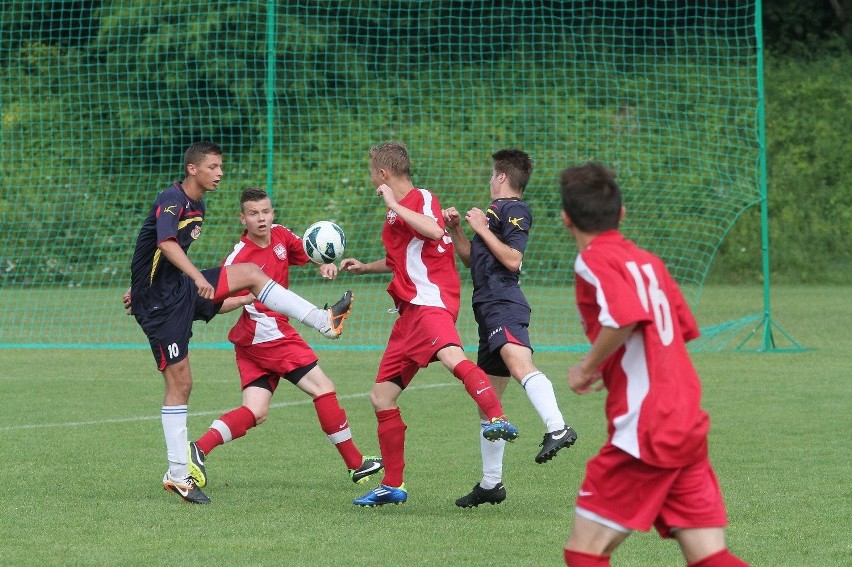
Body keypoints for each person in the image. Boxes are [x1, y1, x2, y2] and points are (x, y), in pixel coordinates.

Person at [127, 141, 353, 504]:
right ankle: (178, 473)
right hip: (161, 303)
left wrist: (149, 284)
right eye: (213, 167)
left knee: (250, 274)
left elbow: (151, 256)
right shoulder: (172, 199)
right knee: (180, 384)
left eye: (221, 166)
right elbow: (165, 244)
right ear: (192, 169)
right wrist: (155, 287)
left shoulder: (198, 204)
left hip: (175, 290)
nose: (220, 173)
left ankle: (322, 320)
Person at [558, 162, 749, 566]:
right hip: (684, 416)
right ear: (622, 214)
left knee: (584, 553)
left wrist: (587, 367)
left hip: (647, 426)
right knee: (709, 556)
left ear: (565, 219)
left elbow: (625, 316)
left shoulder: (592, 260)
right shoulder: (649, 262)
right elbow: (679, 329)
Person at [340, 141, 520, 507]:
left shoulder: (419, 198)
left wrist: (392, 203)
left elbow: (435, 231)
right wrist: (365, 266)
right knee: (381, 396)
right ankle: (392, 485)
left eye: (372, 170)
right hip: (409, 313)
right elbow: (404, 257)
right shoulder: (398, 214)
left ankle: (497, 416)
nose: (371, 176)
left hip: (429, 303)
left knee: (455, 358)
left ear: (384, 174)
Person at [186, 188, 382, 492]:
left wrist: (324, 263)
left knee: (256, 411)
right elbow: (217, 304)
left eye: (265, 211)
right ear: (243, 218)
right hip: (268, 333)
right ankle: (356, 464)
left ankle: (197, 449)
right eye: (253, 213)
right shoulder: (239, 257)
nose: (261, 218)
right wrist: (247, 297)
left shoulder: (280, 235)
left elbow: (307, 251)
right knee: (323, 388)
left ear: (272, 213)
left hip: (253, 342)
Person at [442, 148, 577, 509]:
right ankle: (491, 484)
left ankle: (557, 426)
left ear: (502, 177)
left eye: (492, 174)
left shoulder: (515, 209)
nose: (489, 180)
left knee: (520, 367)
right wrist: (458, 230)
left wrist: (483, 229)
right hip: (487, 312)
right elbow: (472, 258)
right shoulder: (493, 214)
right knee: (488, 403)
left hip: (504, 303)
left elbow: (514, 260)